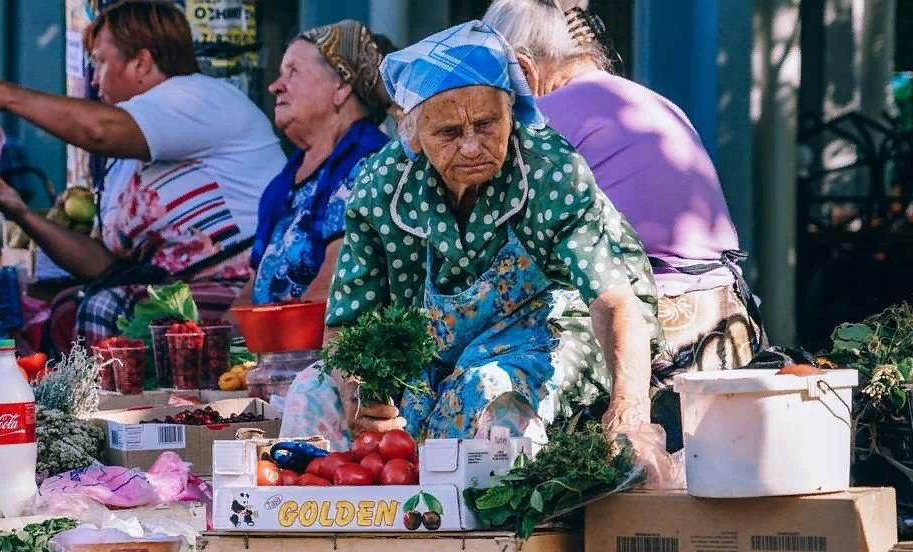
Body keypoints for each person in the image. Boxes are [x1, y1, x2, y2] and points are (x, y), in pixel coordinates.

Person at [281, 20, 666, 456]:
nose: (470, 147)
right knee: (312, 389)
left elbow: (613, 300)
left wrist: (629, 409)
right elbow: (347, 322)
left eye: (486, 124)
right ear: (414, 133)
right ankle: (331, 519)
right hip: (428, 350)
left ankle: (475, 522)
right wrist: (356, 390)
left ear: (512, 113)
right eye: (447, 132)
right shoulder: (381, 186)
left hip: (544, 334)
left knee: (486, 392)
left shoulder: (547, 171)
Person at [0, 0, 285, 348]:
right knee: (66, 305)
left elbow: (98, 131)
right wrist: (17, 210)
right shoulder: (125, 161)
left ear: (141, 62)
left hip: (245, 291)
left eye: (100, 62)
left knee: (103, 307)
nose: (94, 79)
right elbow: (105, 267)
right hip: (166, 293)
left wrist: (6, 95)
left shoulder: (200, 98)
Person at [484, 0, 763, 386]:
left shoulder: (543, 118)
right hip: (728, 315)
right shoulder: (647, 99)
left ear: (523, 69)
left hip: (655, 321)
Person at [233, 19, 393, 307]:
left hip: (316, 349)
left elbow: (330, 292)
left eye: (293, 72)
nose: (274, 87)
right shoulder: (287, 181)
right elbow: (250, 294)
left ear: (341, 85)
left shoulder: (370, 166)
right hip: (272, 346)